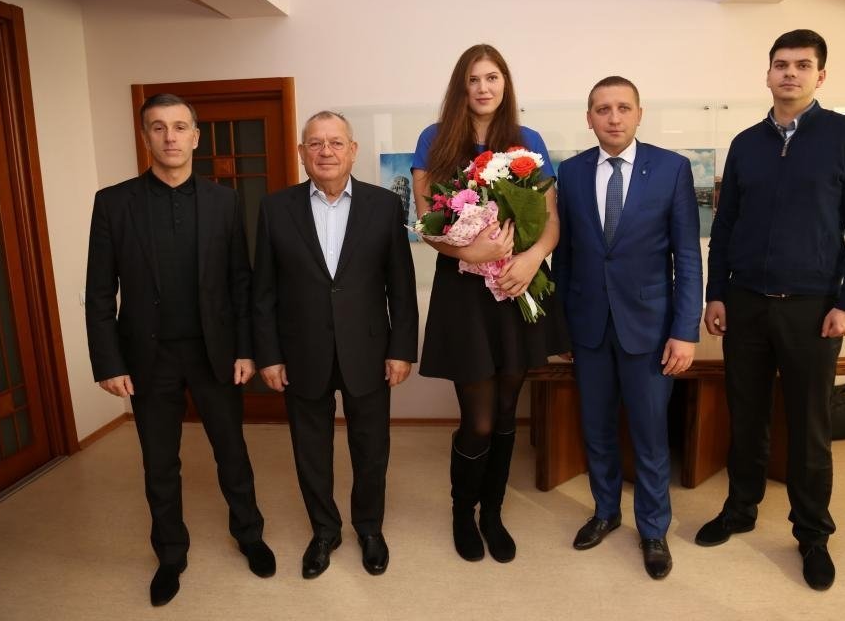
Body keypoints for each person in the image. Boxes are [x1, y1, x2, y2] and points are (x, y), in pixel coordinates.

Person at [695, 29, 845, 591]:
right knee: (746, 415)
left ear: (820, 76)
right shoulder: (746, 143)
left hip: (814, 308)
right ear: (768, 73)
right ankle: (740, 509)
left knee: (809, 426)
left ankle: (812, 533)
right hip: (746, 304)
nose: (791, 74)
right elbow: (725, 226)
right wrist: (716, 292)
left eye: (803, 65)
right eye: (781, 64)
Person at [85, 93, 274, 607]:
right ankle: (170, 554)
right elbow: (99, 291)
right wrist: (108, 361)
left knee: (232, 452)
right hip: (147, 358)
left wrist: (246, 350)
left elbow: (240, 281)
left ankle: (250, 535)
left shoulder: (223, 201)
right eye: (158, 127)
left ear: (195, 136)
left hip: (215, 353)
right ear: (145, 136)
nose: (170, 137)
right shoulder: (114, 202)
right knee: (159, 462)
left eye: (179, 127)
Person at [411, 43, 568, 563]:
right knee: (477, 420)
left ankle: (493, 514)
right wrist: (469, 251)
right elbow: (426, 224)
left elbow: (550, 219)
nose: (483, 87)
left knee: (505, 414)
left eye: (492, 77)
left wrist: (533, 257)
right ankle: (463, 512)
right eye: (474, 78)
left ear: (505, 84)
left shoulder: (528, 141)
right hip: (464, 292)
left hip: (516, 285)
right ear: (462, 85)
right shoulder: (434, 139)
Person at [253, 111, 418, 579]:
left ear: (352, 150)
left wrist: (401, 348)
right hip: (301, 352)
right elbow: (262, 291)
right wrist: (269, 354)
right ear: (302, 152)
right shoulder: (275, 208)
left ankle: (369, 528)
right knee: (311, 451)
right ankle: (324, 531)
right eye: (315, 143)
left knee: (371, 449)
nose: (325, 151)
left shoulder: (384, 206)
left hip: (368, 349)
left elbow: (400, 286)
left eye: (335, 142)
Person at [552, 76, 702, 579]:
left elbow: (687, 257)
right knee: (596, 428)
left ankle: (653, 529)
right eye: (602, 109)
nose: (613, 118)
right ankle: (605, 511)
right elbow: (565, 258)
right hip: (589, 327)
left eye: (622, 108)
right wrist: (563, 328)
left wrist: (685, 330)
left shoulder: (672, 168)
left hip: (651, 329)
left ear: (639, 113)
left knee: (650, 433)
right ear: (589, 118)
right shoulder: (570, 172)